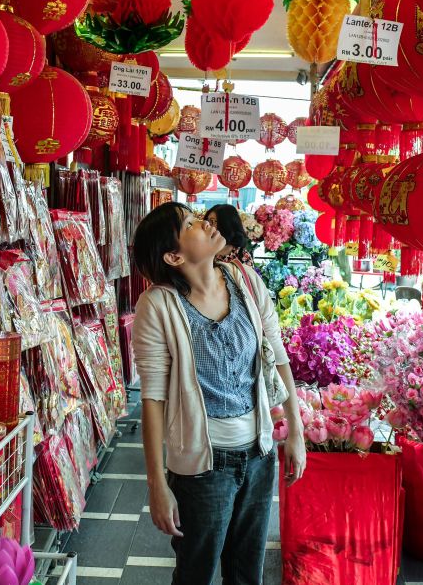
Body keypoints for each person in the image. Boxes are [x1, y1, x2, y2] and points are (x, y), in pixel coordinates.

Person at [132, 202, 307, 585]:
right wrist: (157, 485)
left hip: (259, 455)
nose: (206, 223)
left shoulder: (245, 280)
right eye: (192, 223)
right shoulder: (157, 305)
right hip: (203, 468)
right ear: (174, 255)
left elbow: (277, 356)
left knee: (247, 573)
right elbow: (153, 398)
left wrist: (295, 430)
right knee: (196, 571)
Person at [205, 203, 255, 268]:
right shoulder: (203, 249)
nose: (207, 225)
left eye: (212, 221)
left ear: (226, 224)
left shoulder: (242, 255)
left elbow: (248, 277)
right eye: (207, 221)